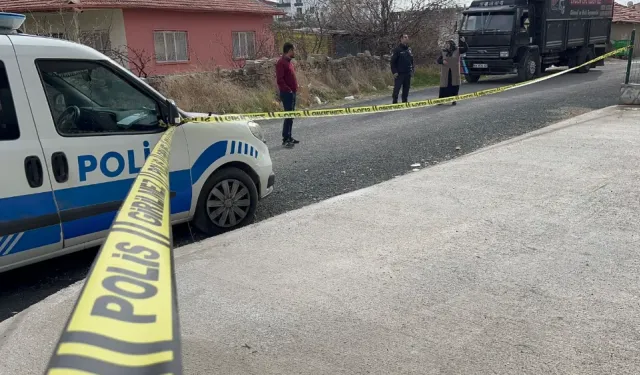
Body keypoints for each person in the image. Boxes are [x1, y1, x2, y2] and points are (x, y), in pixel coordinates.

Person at [276, 42, 299, 148]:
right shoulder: (281, 63)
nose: (295, 52)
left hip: (292, 92)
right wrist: (288, 90)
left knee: (291, 116)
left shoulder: (289, 62)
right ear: (289, 51)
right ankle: (285, 138)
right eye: (293, 50)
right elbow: (280, 80)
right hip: (287, 94)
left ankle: (289, 136)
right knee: (288, 115)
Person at [436, 37, 469, 105]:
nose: (447, 45)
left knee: (454, 86)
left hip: (454, 72)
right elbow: (438, 60)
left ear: (452, 44)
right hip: (446, 72)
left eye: (448, 43)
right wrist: (442, 61)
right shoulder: (443, 51)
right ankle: (441, 100)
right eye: (446, 43)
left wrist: (464, 42)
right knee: (444, 86)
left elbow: (466, 49)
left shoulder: (457, 50)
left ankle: (454, 100)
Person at [390, 34, 414, 104]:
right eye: (405, 37)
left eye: (407, 37)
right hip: (399, 73)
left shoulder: (409, 49)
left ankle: (405, 101)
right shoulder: (397, 50)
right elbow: (392, 62)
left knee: (406, 89)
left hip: (408, 72)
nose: (406, 38)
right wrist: (394, 72)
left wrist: (412, 70)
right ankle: (394, 101)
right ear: (401, 39)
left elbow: (411, 61)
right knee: (397, 89)